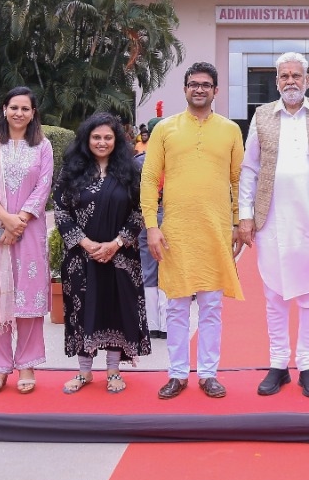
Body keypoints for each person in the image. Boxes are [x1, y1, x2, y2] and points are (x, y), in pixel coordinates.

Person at [237, 52, 309, 398]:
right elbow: (249, 169)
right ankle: (278, 364)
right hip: (272, 220)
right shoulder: (261, 116)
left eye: (296, 76)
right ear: (276, 82)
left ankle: (307, 365)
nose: (290, 81)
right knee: (274, 294)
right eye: (284, 76)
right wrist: (245, 215)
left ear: (307, 81)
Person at [141, 62, 244, 400]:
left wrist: (236, 223)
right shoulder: (165, 129)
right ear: (185, 89)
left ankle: (209, 374)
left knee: (212, 306)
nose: (199, 89)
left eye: (205, 85)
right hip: (176, 232)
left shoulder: (229, 130)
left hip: (215, 232)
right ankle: (177, 373)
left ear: (216, 90)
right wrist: (152, 228)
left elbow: (238, 180)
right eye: (193, 84)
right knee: (177, 306)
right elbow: (149, 178)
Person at [0, 87, 54, 395]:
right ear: (4, 109)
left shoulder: (43, 146)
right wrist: (6, 218)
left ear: (33, 114)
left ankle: (27, 364)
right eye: (14, 107)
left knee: (27, 297)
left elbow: (44, 186)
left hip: (30, 231)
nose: (19, 113)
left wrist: (22, 220)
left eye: (25, 108)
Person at [55, 113, 150, 394]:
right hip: (81, 257)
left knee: (115, 309)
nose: (102, 142)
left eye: (108, 137)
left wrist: (116, 244)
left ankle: (113, 371)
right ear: (87, 139)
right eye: (96, 137)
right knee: (83, 309)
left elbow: (139, 211)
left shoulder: (131, 171)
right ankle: (84, 373)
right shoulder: (71, 170)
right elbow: (61, 210)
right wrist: (85, 243)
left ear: (116, 140)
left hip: (120, 256)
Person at [135, 116, 166, 338]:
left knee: (148, 268)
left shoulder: (138, 161)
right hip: (169, 213)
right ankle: (166, 324)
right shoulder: (176, 158)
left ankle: (151, 324)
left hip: (145, 214)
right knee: (168, 265)